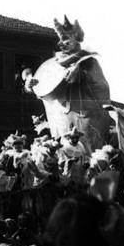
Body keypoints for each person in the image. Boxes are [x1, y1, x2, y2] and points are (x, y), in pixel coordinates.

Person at [24, 15, 111, 152]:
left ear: (76, 39)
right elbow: (41, 82)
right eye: (60, 39)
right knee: (62, 151)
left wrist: (82, 74)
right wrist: (29, 82)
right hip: (60, 116)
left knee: (87, 153)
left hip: (84, 116)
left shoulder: (88, 60)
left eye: (65, 39)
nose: (61, 43)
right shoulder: (55, 63)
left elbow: (102, 88)